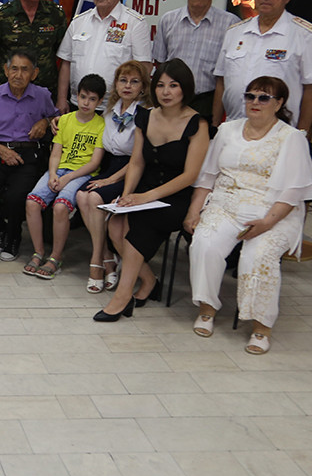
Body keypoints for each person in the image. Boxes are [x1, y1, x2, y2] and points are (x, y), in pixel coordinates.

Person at [184, 76, 312, 355]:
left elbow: (294, 192)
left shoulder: (291, 138)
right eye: (250, 96)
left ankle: (261, 326)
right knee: (204, 244)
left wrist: (267, 222)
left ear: (279, 104)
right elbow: (207, 177)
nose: (255, 102)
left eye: (264, 98)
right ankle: (207, 308)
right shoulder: (227, 130)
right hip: (225, 204)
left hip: (273, 211)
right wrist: (194, 211)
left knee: (257, 256)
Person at [95, 59, 210, 322]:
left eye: (173, 85)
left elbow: (190, 175)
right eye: (160, 85)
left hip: (176, 196)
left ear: (185, 88)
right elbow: (137, 162)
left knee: (140, 225)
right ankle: (148, 281)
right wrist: (127, 195)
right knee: (115, 224)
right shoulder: (145, 116)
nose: (166, 92)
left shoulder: (198, 123)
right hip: (144, 188)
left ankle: (122, 297)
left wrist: (145, 197)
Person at [213, 0, 312, 131]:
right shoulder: (234, 32)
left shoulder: (305, 35)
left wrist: (300, 135)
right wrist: (214, 127)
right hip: (233, 129)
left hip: (278, 132)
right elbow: (221, 82)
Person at [0, 51, 59, 261]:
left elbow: (56, 117)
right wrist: (1, 150)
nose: (18, 75)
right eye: (14, 68)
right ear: (5, 70)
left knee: (16, 197)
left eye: (24, 70)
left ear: (34, 73)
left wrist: (45, 121)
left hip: (28, 154)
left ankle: (13, 236)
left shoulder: (42, 95)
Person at [75, 60, 151, 293]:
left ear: (143, 87)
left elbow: (139, 158)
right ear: (116, 84)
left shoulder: (145, 114)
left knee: (94, 198)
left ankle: (97, 260)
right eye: (123, 80)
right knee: (81, 196)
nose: (127, 86)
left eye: (134, 82)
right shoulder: (110, 110)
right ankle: (107, 257)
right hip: (109, 165)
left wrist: (111, 180)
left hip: (131, 171)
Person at [23, 74, 106, 280]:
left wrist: (68, 179)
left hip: (82, 174)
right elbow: (56, 153)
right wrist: (52, 174)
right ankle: (38, 252)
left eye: (92, 99)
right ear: (76, 96)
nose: (86, 103)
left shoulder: (101, 125)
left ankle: (55, 257)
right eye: (83, 97)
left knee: (60, 207)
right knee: (32, 202)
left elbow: (94, 163)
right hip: (58, 170)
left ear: (100, 101)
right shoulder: (65, 120)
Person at [56, 0, 150, 114]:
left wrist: (132, 104)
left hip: (115, 106)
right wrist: (62, 99)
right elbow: (66, 63)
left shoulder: (135, 23)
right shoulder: (79, 22)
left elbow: (144, 67)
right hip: (79, 103)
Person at [151, 0, 233, 118]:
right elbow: (160, 64)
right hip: (171, 102)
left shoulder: (230, 24)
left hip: (207, 103)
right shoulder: (168, 20)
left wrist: (215, 122)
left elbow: (225, 77)